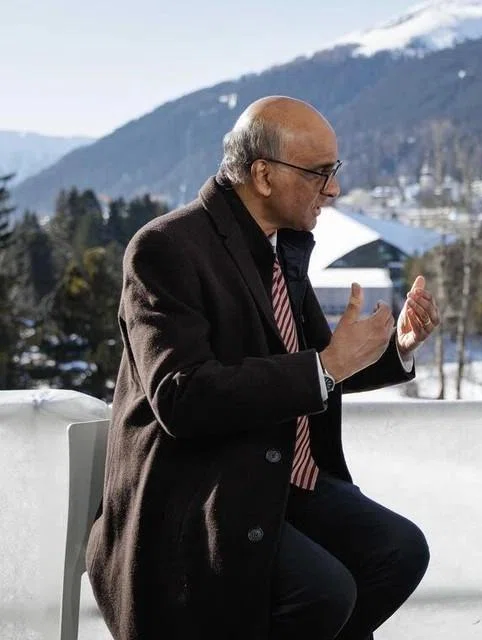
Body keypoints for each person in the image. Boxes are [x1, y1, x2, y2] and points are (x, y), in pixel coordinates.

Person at [86, 96, 441, 640]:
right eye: (321, 173)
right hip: (198, 497)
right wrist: (324, 364)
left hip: (276, 478)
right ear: (263, 175)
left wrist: (398, 347)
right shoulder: (164, 249)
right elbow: (182, 397)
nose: (334, 190)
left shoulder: (279, 249)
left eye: (335, 171)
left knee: (399, 551)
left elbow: (318, 365)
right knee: (325, 592)